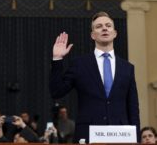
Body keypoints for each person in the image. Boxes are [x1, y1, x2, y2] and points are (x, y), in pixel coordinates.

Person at [49, 11, 140, 143]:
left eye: (108, 25)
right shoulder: (79, 64)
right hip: (88, 135)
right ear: (93, 35)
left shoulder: (128, 68)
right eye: (99, 26)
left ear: (114, 33)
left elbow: (133, 106)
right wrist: (57, 59)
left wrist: (136, 138)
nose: (104, 28)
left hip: (122, 136)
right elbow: (56, 91)